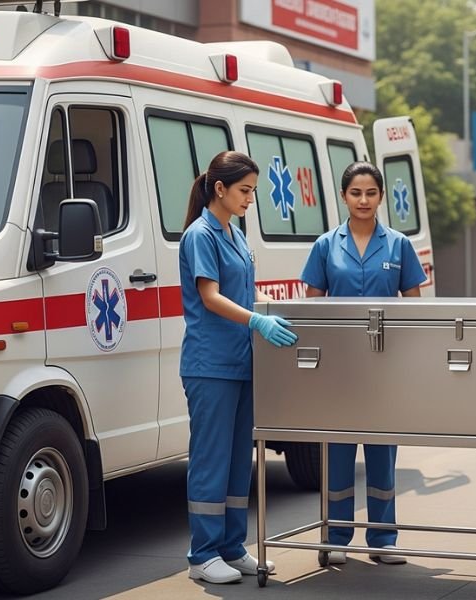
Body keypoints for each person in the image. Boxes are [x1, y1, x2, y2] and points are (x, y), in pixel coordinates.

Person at [300, 161, 427, 566]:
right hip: (339, 368)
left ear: (381, 196)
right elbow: (313, 307)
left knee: (382, 453)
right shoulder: (325, 245)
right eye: (356, 193)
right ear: (343, 196)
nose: (364, 200)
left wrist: (408, 363)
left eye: (371, 193)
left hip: (384, 367)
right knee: (336, 452)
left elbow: (414, 308)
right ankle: (336, 536)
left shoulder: (398, 245)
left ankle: (383, 539)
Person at [179, 151, 298, 584]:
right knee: (210, 459)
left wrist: (263, 317)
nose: (251, 199)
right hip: (209, 364)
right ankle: (202, 554)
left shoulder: (235, 233)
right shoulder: (201, 235)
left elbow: (242, 293)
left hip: (241, 362)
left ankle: (231, 546)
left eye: (253, 191)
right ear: (220, 189)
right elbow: (210, 296)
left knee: (236, 460)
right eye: (245, 191)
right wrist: (258, 320)